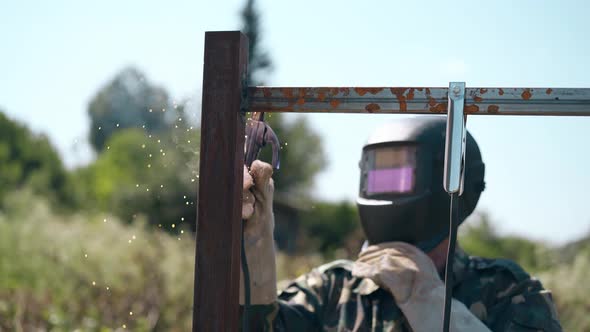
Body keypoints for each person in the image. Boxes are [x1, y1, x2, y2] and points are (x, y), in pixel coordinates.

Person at [240, 116, 562, 331]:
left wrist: (429, 299)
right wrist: (253, 244)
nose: (388, 191)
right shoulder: (333, 290)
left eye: (403, 175)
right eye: (379, 177)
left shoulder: (506, 292)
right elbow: (256, 326)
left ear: (455, 186)